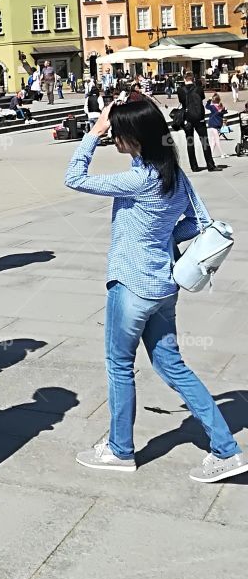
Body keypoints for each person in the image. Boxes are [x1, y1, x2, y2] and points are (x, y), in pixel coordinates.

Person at [65, 98, 247, 483]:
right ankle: (227, 450)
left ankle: (120, 450)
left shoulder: (137, 180)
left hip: (130, 286)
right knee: (173, 366)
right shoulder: (173, 175)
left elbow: (74, 177)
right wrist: (164, 236)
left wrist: (92, 134)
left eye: (118, 132)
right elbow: (200, 222)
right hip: (165, 286)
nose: (112, 136)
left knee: (119, 367)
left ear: (136, 137)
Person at [177, 72, 218, 173]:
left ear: (184, 79)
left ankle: (194, 166)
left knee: (190, 142)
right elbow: (202, 98)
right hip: (199, 117)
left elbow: (181, 101)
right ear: (193, 79)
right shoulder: (199, 89)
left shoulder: (180, 90)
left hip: (187, 118)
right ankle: (210, 165)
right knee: (204, 141)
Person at [206, 92, 227, 163]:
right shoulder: (219, 106)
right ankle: (222, 153)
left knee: (214, 140)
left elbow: (207, 106)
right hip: (214, 124)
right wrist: (222, 111)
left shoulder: (216, 106)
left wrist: (209, 101)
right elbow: (222, 114)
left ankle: (210, 154)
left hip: (214, 124)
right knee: (217, 139)